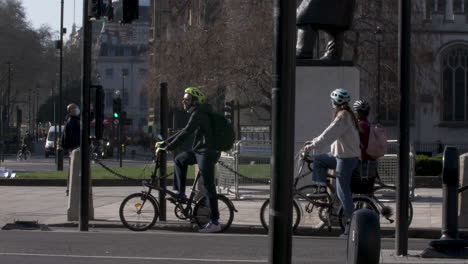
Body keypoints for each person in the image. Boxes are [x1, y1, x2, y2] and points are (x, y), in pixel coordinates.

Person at [155, 87, 221, 233]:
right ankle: (180, 192)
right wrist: (166, 142)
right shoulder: (198, 113)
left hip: (207, 153)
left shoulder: (199, 113)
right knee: (180, 159)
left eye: (187, 99)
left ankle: (215, 222)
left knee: (209, 187)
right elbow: (184, 129)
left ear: (195, 102)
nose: (183, 101)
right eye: (184, 98)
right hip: (200, 151)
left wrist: (168, 147)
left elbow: (186, 132)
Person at [304, 88, 360, 237]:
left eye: (332, 101)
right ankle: (321, 190)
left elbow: (329, 134)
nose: (331, 103)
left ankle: (351, 228)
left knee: (343, 193)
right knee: (320, 160)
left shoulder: (343, 117)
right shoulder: (346, 115)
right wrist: (314, 141)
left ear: (335, 102)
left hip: (346, 159)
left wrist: (313, 145)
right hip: (340, 155)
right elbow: (328, 133)